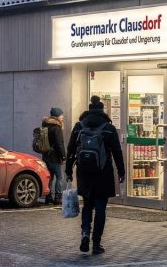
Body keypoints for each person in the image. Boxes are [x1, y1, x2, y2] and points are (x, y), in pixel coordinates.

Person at [66, 95, 125, 254]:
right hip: (103, 173)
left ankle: (85, 233)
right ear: (102, 110)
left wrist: (68, 171)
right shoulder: (108, 128)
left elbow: (70, 149)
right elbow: (117, 152)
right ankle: (96, 243)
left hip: (84, 173)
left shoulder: (79, 126)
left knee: (87, 206)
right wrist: (121, 172)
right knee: (100, 209)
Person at [41, 107, 67, 205]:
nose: (63, 117)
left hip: (46, 156)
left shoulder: (45, 125)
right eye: (61, 115)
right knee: (60, 177)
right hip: (55, 157)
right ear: (57, 116)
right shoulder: (56, 127)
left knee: (49, 177)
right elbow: (59, 144)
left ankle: (48, 198)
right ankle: (58, 197)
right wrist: (63, 157)